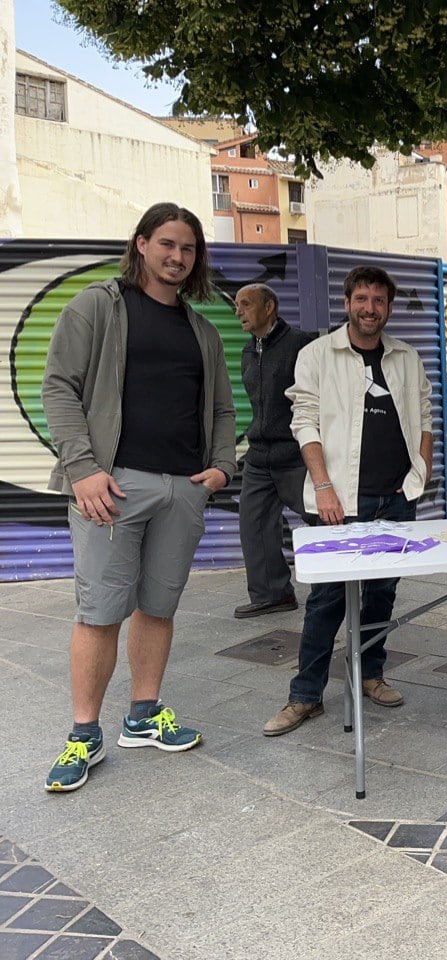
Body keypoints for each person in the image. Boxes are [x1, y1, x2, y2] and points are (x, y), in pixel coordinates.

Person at [41, 202, 237, 791]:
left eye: (189, 248)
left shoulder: (201, 330)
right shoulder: (100, 305)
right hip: (112, 485)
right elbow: (59, 385)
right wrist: (82, 468)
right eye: (168, 244)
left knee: (158, 606)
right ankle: (83, 735)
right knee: (100, 611)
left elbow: (224, 409)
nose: (178, 257)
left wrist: (222, 469)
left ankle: (144, 716)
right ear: (142, 244)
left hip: (182, 489)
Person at [263, 265, 433, 736]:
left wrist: (420, 474)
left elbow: (423, 418)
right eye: (362, 299)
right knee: (327, 600)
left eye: (379, 301)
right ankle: (305, 696)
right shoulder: (317, 355)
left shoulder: (406, 358)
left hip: (396, 500)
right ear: (348, 302)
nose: (370, 308)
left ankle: (371, 674)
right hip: (338, 500)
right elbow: (305, 423)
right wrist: (322, 486)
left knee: (382, 593)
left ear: (389, 308)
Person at [233, 283, 315, 618]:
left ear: (270, 307)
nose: (239, 311)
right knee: (252, 523)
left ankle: (348, 582)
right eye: (237, 305)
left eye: (246, 304)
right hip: (259, 457)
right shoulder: (249, 351)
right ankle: (273, 594)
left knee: (326, 516)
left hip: (295, 455)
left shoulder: (301, 345)